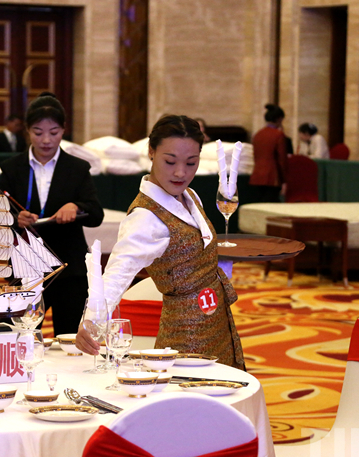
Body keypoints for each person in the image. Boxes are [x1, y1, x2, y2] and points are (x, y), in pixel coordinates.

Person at [74, 115, 246, 370]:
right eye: (170, 161)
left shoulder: (189, 195)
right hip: (185, 333)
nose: (181, 172)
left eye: (191, 162)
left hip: (216, 319)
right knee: (191, 389)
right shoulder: (145, 216)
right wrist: (91, 320)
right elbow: (117, 273)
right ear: (151, 152)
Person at [0, 95, 104, 337]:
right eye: (38, 132)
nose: (46, 140)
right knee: (21, 337)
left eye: (54, 132)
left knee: (69, 339)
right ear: (27, 131)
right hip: (27, 267)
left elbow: (95, 214)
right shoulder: (12, 168)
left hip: (70, 268)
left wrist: (75, 206)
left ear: (64, 130)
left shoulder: (77, 168)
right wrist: (15, 219)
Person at [250, 104, 288, 203]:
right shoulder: (278, 134)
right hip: (272, 177)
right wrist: (284, 180)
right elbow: (282, 159)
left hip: (257, 176)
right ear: (279, 119)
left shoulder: (258, 134)